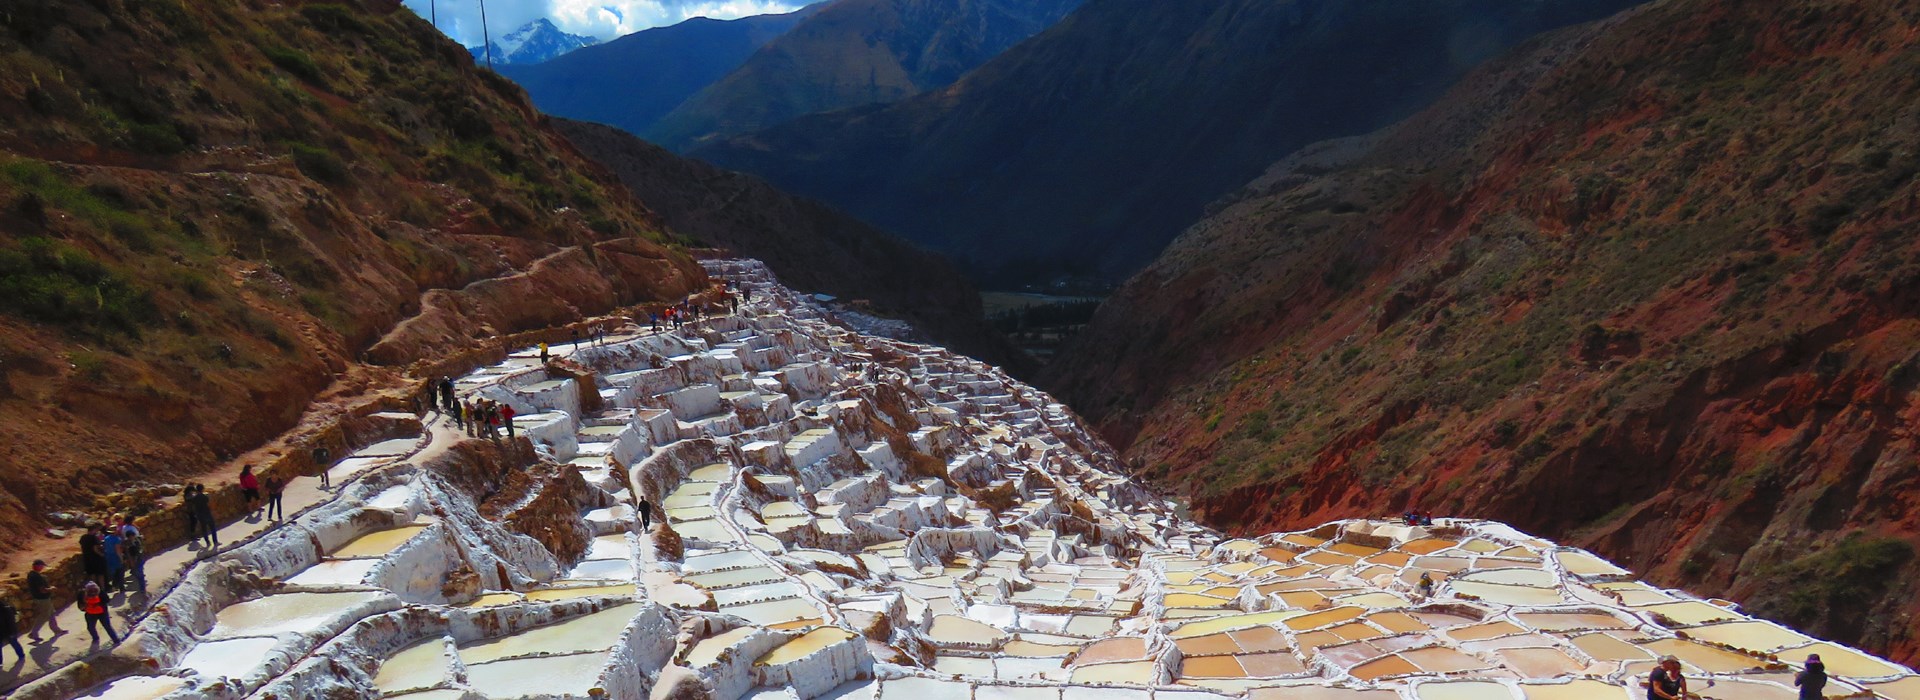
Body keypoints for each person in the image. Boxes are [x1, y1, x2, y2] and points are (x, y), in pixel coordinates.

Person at [26, 560, 64, 641]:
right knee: (44, 616)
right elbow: (42, 590)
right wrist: (51, 589)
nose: (42, 568)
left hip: (41, 598)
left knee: (51, 614)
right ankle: (33, 633)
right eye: (42, 566)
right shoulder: (37, 577)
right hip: (42, 599)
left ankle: (57, 630)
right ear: (38, 566)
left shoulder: (31, 575)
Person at [77, 581, 118, 646]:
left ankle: (116, 641)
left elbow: (107, 600)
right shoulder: (82, 595)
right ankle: (95, 639)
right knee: (90, 627)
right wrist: (86, 604)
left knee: (107, 627)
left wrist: (98, 604)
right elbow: (80, 607)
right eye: (90, 591)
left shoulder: (101, 593)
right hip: (90, 614)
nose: (93, 592)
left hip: (102, 613)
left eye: (95, 590)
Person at [119, 515, 147, 593]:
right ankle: (142, 589)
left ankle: (142, 587)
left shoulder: (125, 527)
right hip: (136, 557)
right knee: (140, 573)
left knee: (139, 572)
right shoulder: (131, 533)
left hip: (136, 557)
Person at [189, 484, 219, 549]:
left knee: (204, 529)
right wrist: (213, 511)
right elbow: (209, 504)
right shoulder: (204, 496)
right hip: (207, 513)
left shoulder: (194, 498)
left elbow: (194, 507)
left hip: (200, 515)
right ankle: (215, 541)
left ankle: (207, 542)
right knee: (212, 527)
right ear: (202, 489)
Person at [79, 525, 107, 590]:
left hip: (87, 558)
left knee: (92, 574)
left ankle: (94, 588)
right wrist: (101, 554)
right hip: (95, 558)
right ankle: (102, 589)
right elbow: (95, 549)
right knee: (100, 574)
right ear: (93, 530)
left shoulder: (83, 537)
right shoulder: (93, 538)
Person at [101, 525, 124, 594]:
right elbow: (117, 550)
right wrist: (121, 558)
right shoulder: (117, 539)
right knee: (120, 572)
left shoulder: (106, 538)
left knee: (113, 572)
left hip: (108, 557)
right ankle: (121, 587)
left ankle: (114, 586)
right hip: (115, 557)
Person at [0, 597, 21, 665]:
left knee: (14, 642)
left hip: (8, 630)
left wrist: (12, 632)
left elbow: (11, 621)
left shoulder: (6, 609)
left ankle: (21, 656)